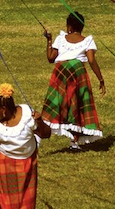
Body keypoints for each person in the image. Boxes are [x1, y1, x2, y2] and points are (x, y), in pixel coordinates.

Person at [41, 11, 106, 150]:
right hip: (78, 73)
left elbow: (51, 57)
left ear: (69, 26)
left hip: (61, 72)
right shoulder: (87, 40)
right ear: (82, 27)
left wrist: (49, 40)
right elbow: (92, 60)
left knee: (58, 103)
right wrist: (100, 78)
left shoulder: (61, 38)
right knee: (77, 105)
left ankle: (39, 133)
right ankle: (74, 142)